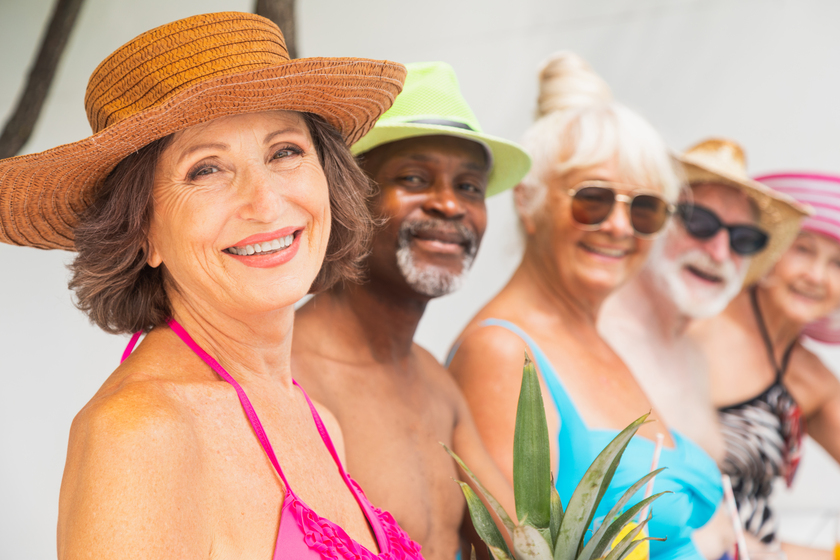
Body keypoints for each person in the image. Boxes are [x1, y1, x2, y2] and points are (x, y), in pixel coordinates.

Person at [0, 12, 425, 559]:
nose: (266, 203)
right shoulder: (138, 434)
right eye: (206, 170)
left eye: (285, 152)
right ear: (142, 229)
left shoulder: (315, 420)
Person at [447, 51, 722, 560]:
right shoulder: (504, 354)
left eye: (644, 208)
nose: (619, 226)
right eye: (592, 199)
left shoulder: (595, 336)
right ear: (528, 202)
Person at [292, 61, 529, 560]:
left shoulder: (436, 383)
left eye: (469, 186)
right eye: (416, 178)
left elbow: (518, 551)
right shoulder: (284, 374)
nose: (450, 205)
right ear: (349, 198)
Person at [599, 138, 809, 559]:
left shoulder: (691, 352)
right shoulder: (600, 330)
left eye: (743, 239)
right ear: (653, 216)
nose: (719, 251)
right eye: (699, 221)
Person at [690, 172, 840, 560]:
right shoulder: (702, 323)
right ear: (770, 249)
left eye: (837, 263)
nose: (816, 276)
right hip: (677, 543)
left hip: (756, 547)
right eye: (803, 250)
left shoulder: (814, 379)